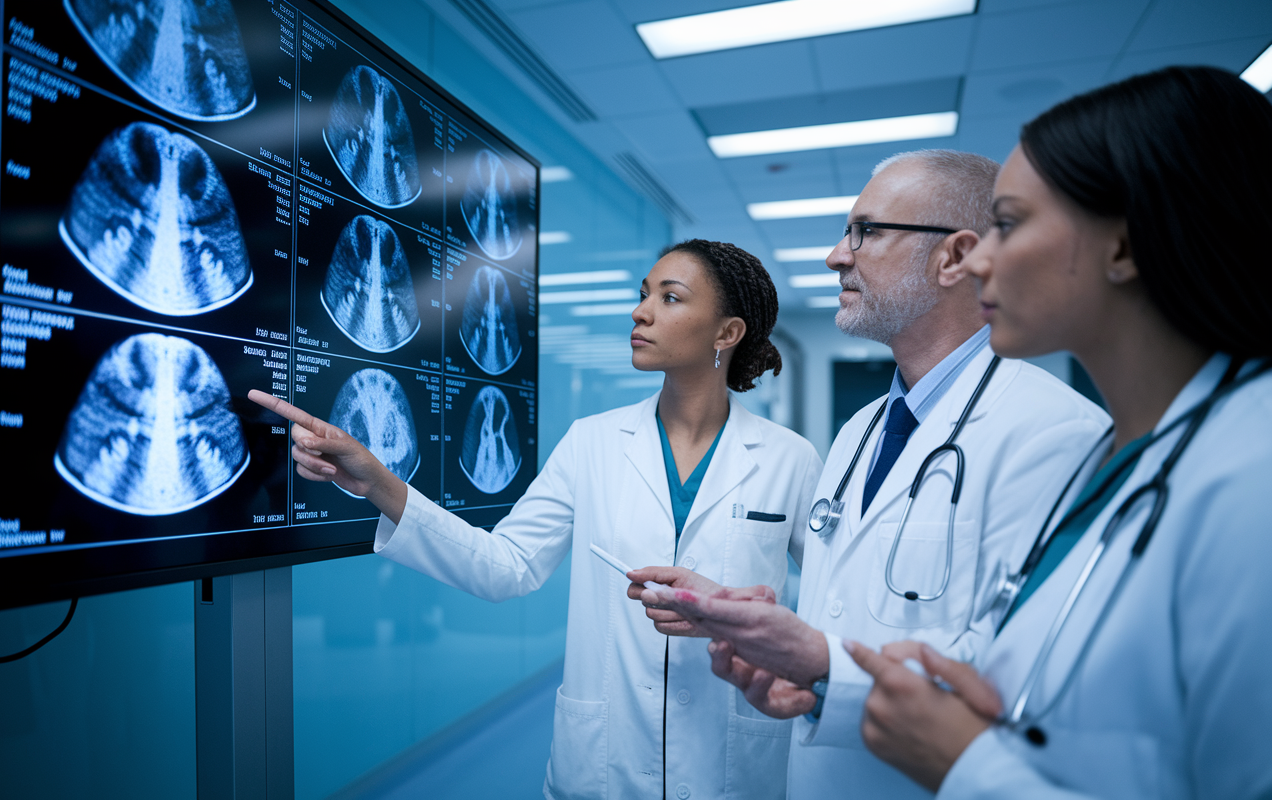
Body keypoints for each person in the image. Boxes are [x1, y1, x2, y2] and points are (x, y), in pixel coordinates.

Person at [833, 65, 1272, 799]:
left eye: (1008, 223)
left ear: (1124, 247)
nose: (973, 260)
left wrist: (967, 768)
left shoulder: (1252, 475)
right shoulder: (1124, 461)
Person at [251, 239, 822, 800]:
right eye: (643, 293)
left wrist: (743, 616)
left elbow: (831, 601)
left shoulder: (788, 459)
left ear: (727, 333)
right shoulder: (591, 442)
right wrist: (379, 483)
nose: (640, 310)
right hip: (604, 763)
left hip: (734, 760)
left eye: (670, 298)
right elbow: (506, 566)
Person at [631, 150, 1108, 798]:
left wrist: (823, 662)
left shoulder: (1055, 433)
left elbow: (1025, 668)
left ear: (954, 257)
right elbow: (852, 610)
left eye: (866, 231)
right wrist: (772, 636)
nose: (836, 255)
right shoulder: (859, 434)